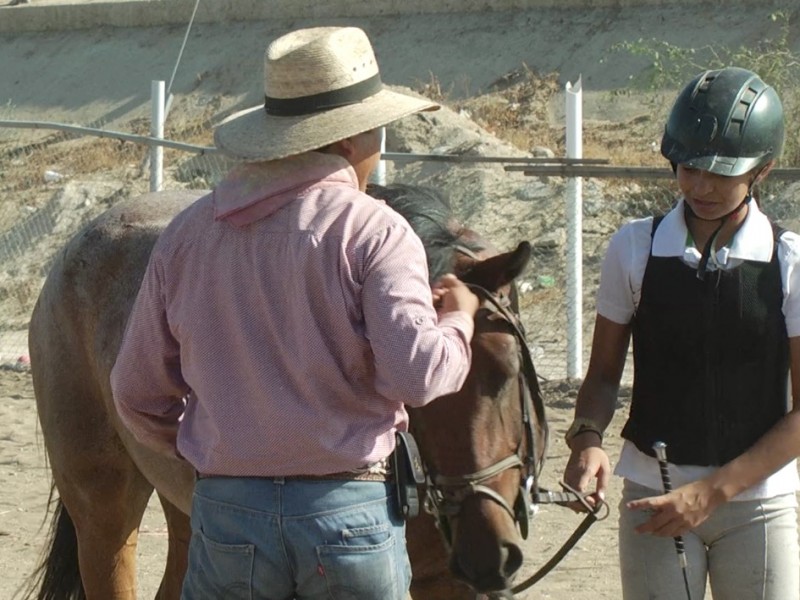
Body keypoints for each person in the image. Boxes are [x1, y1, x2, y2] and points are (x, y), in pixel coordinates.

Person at [110, 26, 479, 600]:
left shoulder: (187, 235)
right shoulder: (374, 230)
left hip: (229, 510)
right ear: (355, 138)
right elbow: (419, 375)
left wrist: (215, 450)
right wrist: (459, 319)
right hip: (347, 512)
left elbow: (136, 393)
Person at [563, 66, 800, 599]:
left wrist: (709, 494)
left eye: (720, 173)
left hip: (757, 503)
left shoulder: (790, 261)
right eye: (688, 168)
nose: (698, 186)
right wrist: (586, 439)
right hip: (653, 493)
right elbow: (602, 376)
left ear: (764, 169)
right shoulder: (633, 248)